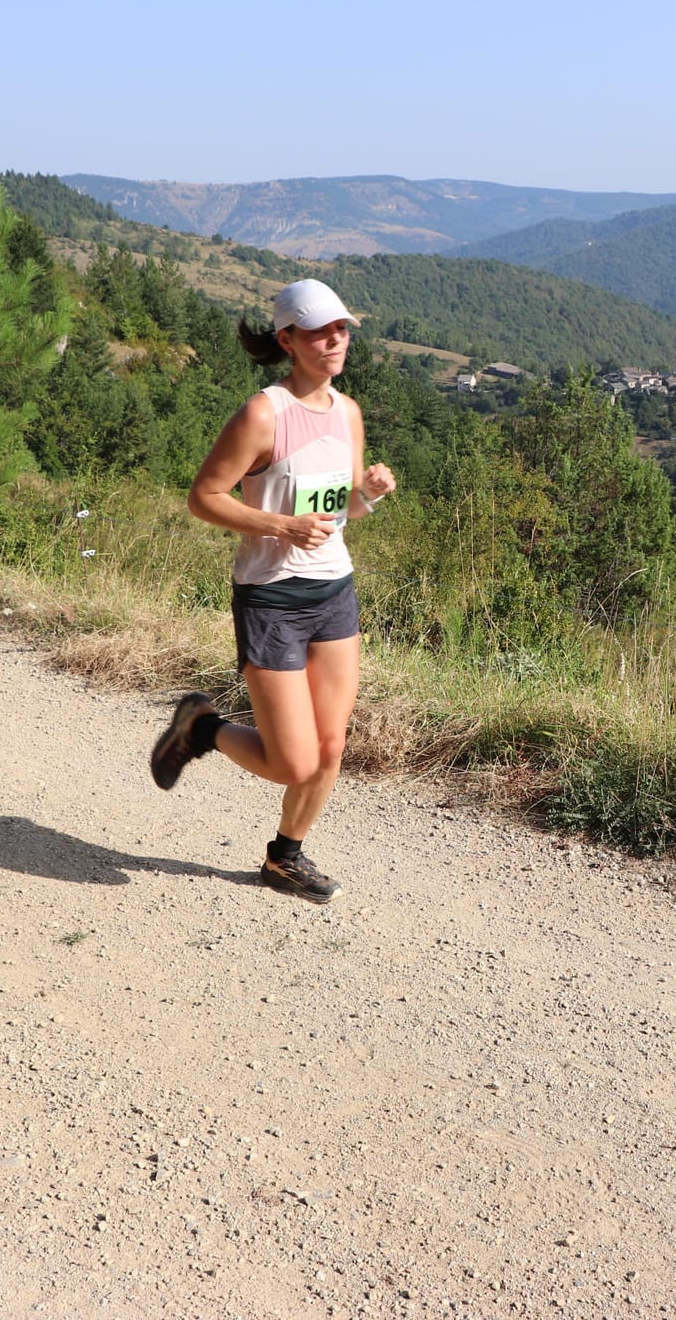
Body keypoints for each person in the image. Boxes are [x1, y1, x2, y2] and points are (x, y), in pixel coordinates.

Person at [149, 278, 396, 903]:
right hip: (271, 598)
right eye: (318, 331)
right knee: (293, 761)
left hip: (333, 591)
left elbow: (340, 513)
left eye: (340, 328)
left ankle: (285, 857)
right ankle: (202, 727)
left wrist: (368, 493)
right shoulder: (264, 413)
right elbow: (203, 498)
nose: (334, 340)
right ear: (287, 339)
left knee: (331, 744)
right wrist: (282, 524)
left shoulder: (347, 413)